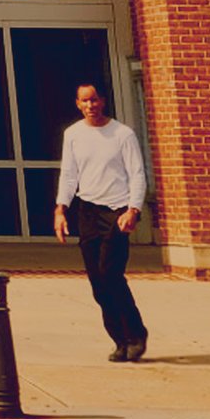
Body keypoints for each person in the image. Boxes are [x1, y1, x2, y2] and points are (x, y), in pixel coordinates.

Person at [54, 80, 149, 361]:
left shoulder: (122, 134)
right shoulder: (73, 134)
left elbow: (137, 174)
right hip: (88, 211)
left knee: (111, 273)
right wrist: (61, 209)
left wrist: (133, 210)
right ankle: (119, 340)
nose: (90, 106)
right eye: (84, 101)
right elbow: (69, 174)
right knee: (97, 280)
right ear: (77, 104)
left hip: (117, 211)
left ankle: (136, 334)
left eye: (94, 100)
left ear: (103, 101)